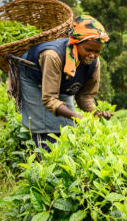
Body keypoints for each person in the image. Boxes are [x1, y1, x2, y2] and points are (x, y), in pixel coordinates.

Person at [16, 15, 112, 149]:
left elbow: (85, 96)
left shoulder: (94, 63)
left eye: (97, 52)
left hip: (62, 81)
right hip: (34, 77)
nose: (92, 55)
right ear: (75, 43)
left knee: (68, 125)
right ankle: (43, 159)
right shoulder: (53, 55)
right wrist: (75, 115)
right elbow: (49, 99)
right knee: (44, 125)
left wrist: (95, 113)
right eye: (88, 50)